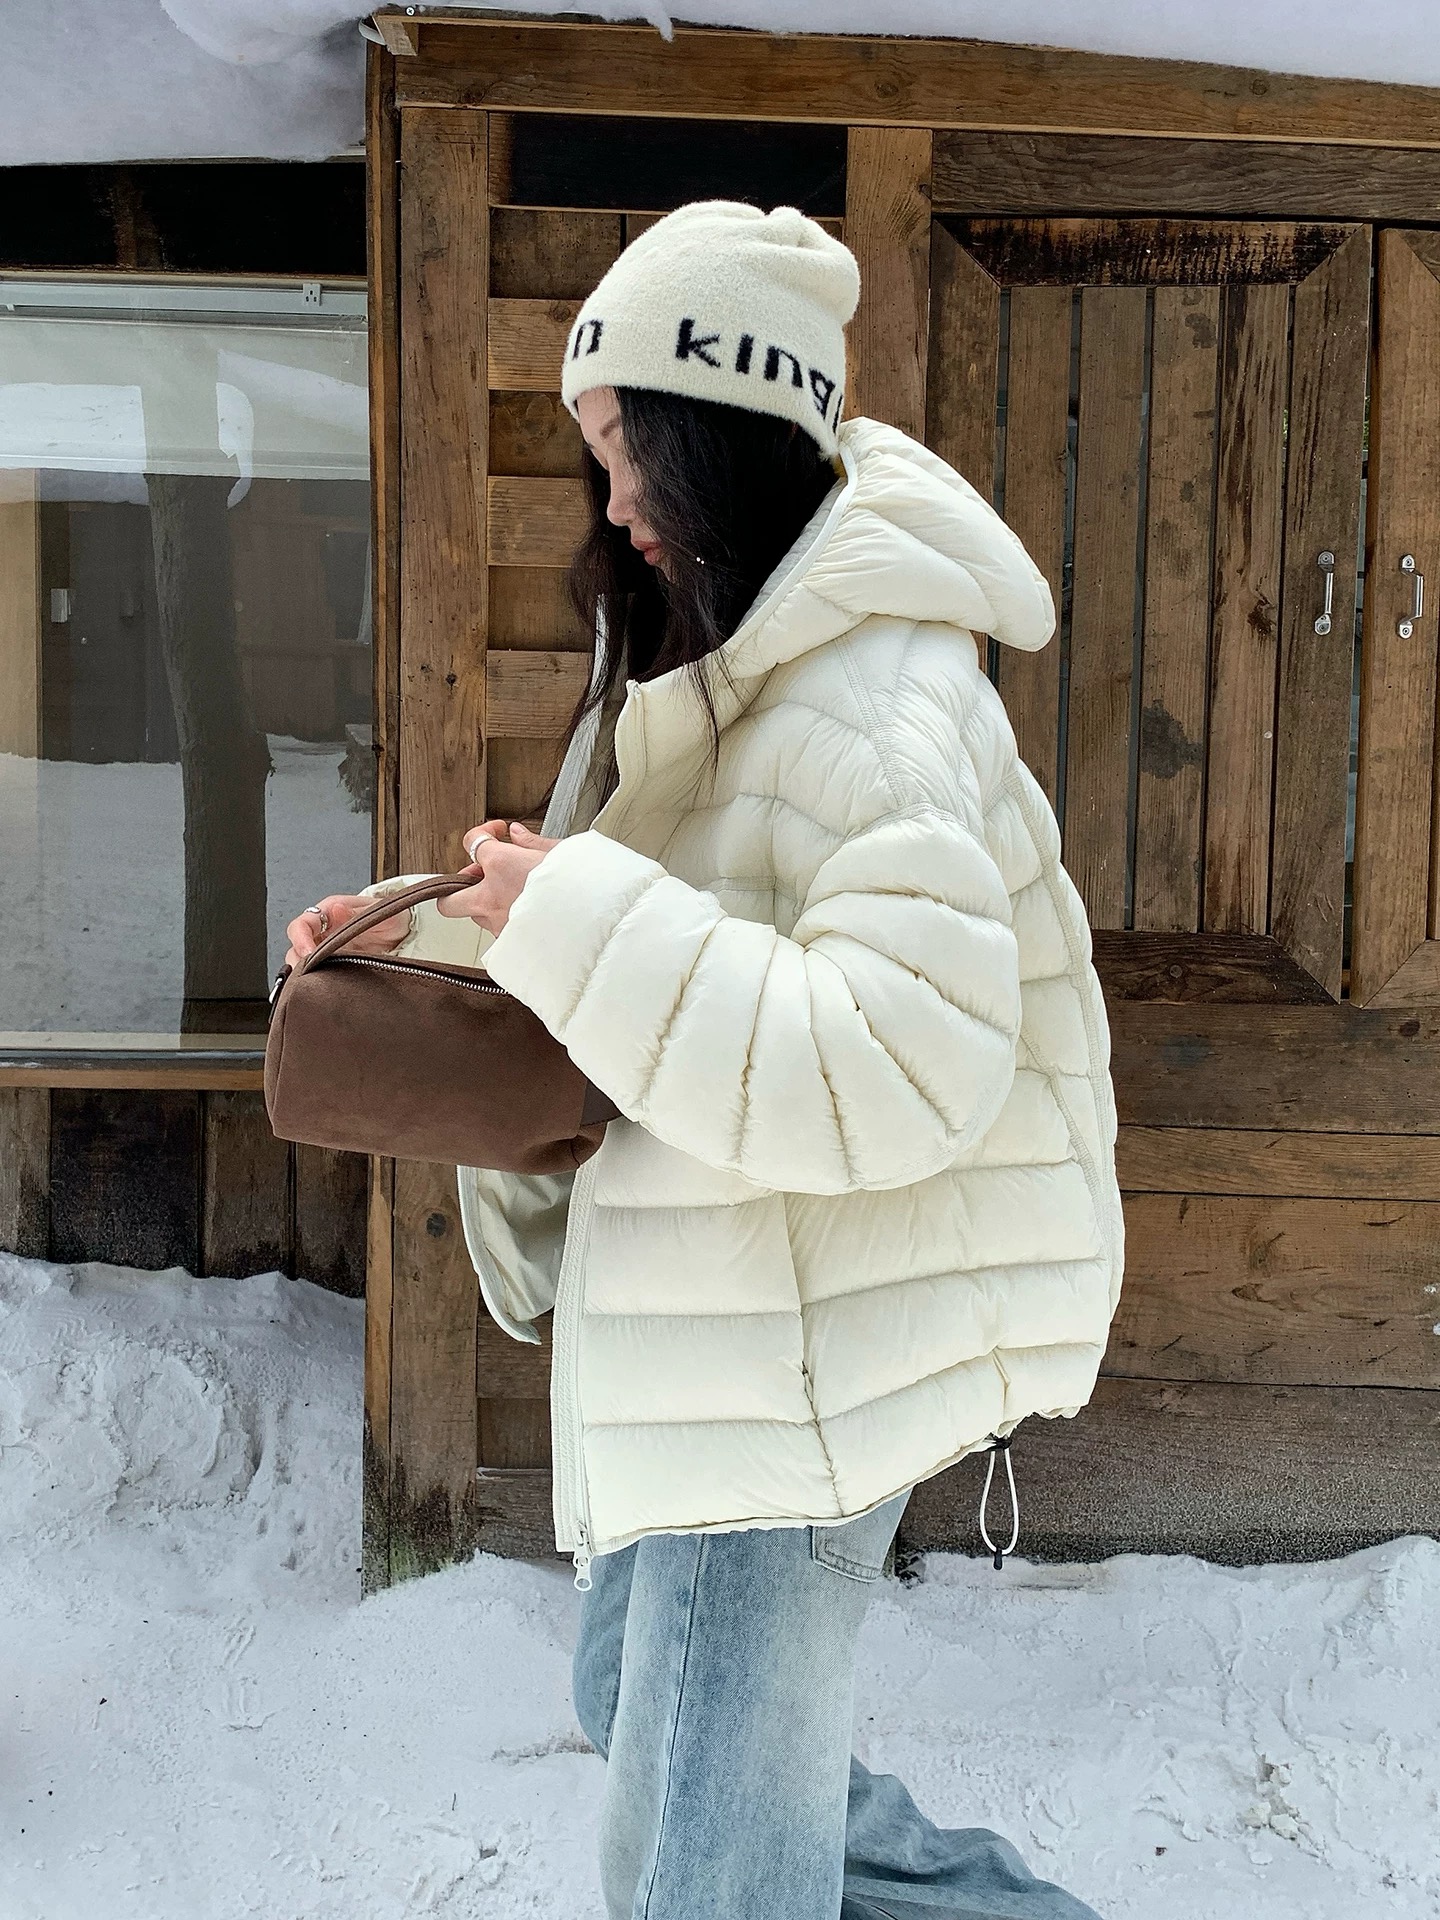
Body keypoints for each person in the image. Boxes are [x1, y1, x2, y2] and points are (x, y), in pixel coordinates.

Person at [287, 201, 1121, 1920]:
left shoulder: (876, 709)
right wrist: (437, 940)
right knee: (656, 1729)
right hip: (717, 1322)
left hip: (793, 1358)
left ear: (716, 436)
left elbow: (894, 1065)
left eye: (624, 454)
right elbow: (687, 970)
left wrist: (575, 913)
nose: (611, 507)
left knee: (704, 1858)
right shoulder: (731, 678)